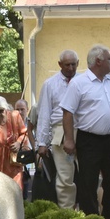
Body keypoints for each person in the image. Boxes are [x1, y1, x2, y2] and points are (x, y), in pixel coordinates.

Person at [60, 45, 110, 219]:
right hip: (89, 140)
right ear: (98, 61)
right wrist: (69, 140)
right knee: (88, 181)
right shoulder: (79, 83)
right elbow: (67, 112)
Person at [36, 50, 80, 209]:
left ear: (78, 63)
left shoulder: (84, 81)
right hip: (59, 131)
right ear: (60, 65)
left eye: (73, 64)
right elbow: (44, 113)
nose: (70, 67)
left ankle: (89, 213)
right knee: (64, 176)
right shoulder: (50, 84)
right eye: (67, 64)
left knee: (87, 175)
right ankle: (66, 214)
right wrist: (42, 142)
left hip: (83, 131)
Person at [0, 96, 28, 190]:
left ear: (6, 109)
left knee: (15, 190)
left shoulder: (14, 116)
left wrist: (18, 143)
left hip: (13, 163)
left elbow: (25, 133)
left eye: (1, 111)